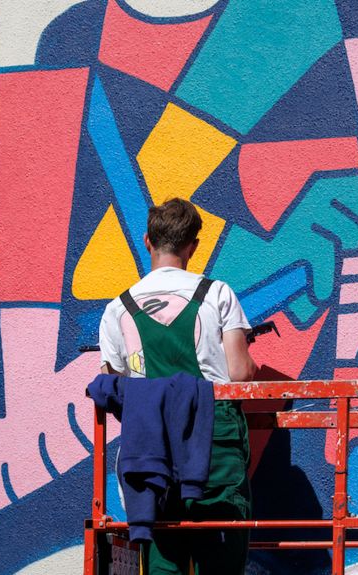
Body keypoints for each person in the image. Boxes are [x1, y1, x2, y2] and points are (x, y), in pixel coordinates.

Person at [98, 197, 256, 574]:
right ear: (193, 246)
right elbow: (240, 373)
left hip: (151, 451)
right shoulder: (217, 294)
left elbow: (116, 387)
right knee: (221, 559)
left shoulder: (117, 308)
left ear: (148, 241)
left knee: (162, 559)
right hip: (214, 442)